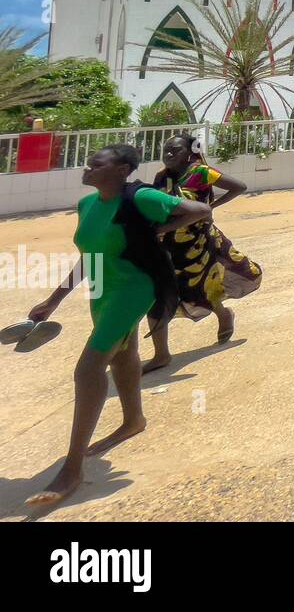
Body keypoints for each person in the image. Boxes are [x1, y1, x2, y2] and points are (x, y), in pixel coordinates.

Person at [25, 144, 210, 509]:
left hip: (133, 288)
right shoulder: (87, 205)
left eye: (97, 163)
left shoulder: (141, 196)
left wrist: (162, 230)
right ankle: (133, 420)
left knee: (88, 368)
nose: (88, 166)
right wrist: (53, 300)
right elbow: (89, 257)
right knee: (123, 353)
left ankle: (72, 467)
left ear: (122, 168)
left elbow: (201, 210)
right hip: (102, 288)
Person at [144, 133, 260, 371]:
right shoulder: (161, 177)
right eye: (165, 150)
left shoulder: (201, 172)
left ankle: (223, 314)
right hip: (167, 244)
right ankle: (160, 353)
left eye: (174, 150)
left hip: (198, 244)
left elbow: (239, 187)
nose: (168, 154)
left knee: (199, 288)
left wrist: (211, 206)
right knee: (161, 292)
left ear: (190, 152)